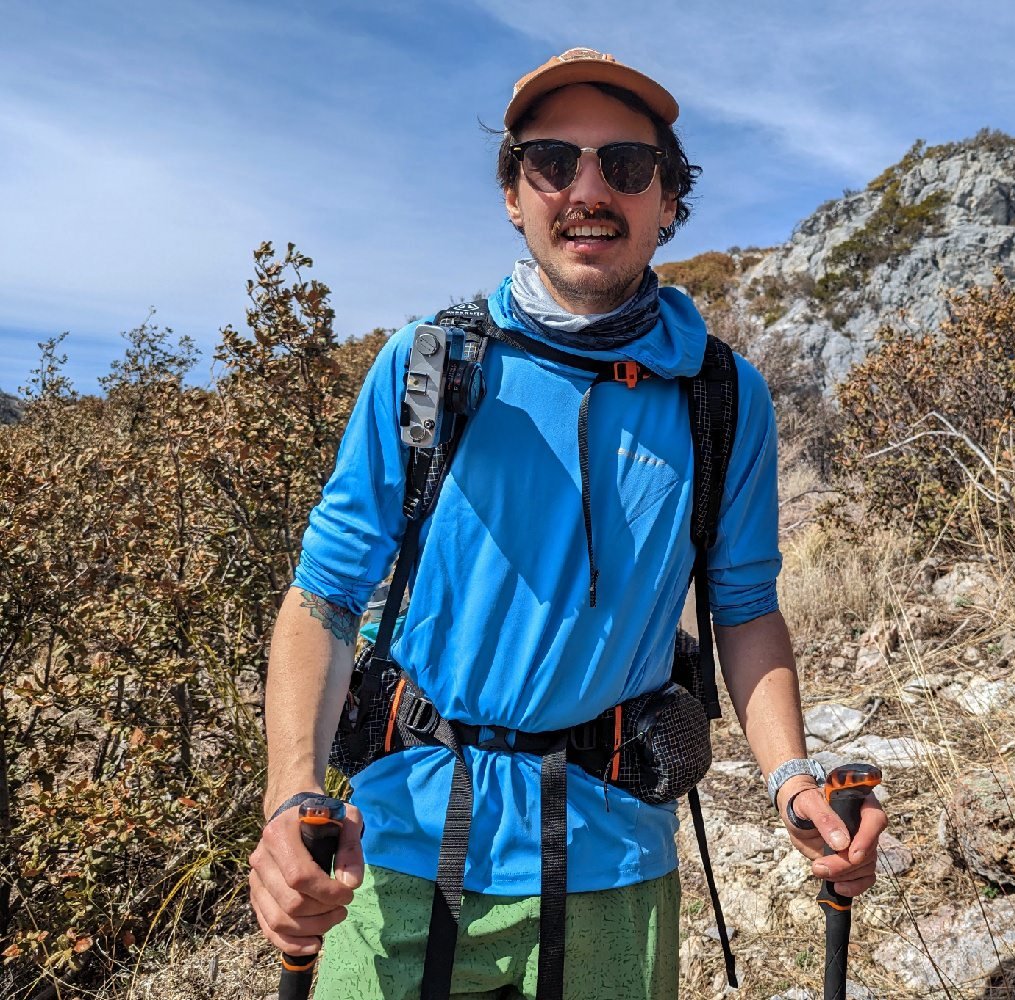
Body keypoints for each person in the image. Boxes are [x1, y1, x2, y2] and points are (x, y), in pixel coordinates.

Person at [247, 47, 886, 999]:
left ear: (669, 200)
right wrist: (291, 797)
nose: (589, 189)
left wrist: (791, 778)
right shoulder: (427, 366)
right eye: (553, 162)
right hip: (398, 852)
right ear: (514, 193)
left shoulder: (722, 397)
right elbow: (326, 597)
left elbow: (746, 608)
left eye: (626, 167)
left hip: (610, 863)